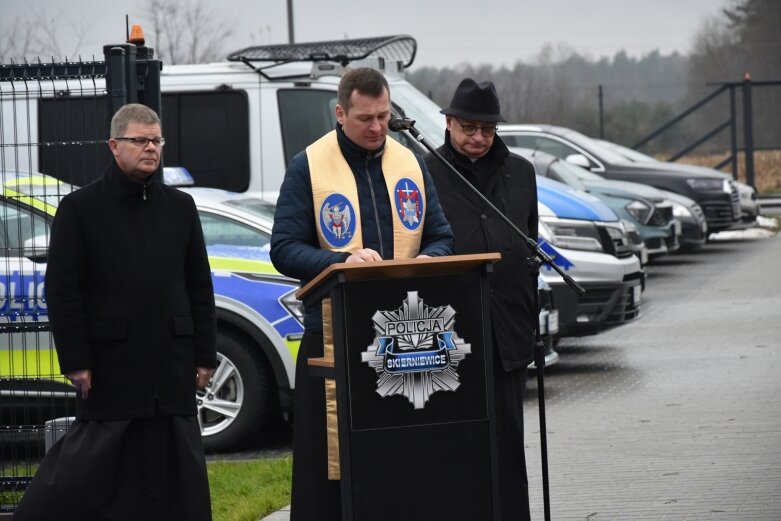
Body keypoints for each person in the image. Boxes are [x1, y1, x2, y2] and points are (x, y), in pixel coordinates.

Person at [14, 103, 217, 521]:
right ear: (114, 145)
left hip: (171, 362)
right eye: (139, 140)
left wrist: (204, 354)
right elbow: (63, 291)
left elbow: (199, 286)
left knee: (176, 467)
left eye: (156, 140)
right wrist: (77, 360)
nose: (150, 148)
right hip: (112, 366)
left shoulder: (180, 208)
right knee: (94, 468)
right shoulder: (80, 208)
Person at [270, 67, 453, 521]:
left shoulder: (409, 161)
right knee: (329, 462)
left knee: (400, 458)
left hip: (407, 335)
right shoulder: (309, 165)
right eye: (366, 118)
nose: (377, 127)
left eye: (384, 116)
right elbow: (284, 248)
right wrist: (339, 261)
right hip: (336, 334)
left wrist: (429, 259)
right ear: (339, 113)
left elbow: (442, 236)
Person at [424, 78, 538, 521]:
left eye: (486, 129)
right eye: (468, 127)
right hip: (450, 330)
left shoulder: (521, 171)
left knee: (508, 440)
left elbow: (529, 237)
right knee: (458, 442)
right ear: (449, 123)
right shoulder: (426, 170)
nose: (477, 138)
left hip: (509, 326)